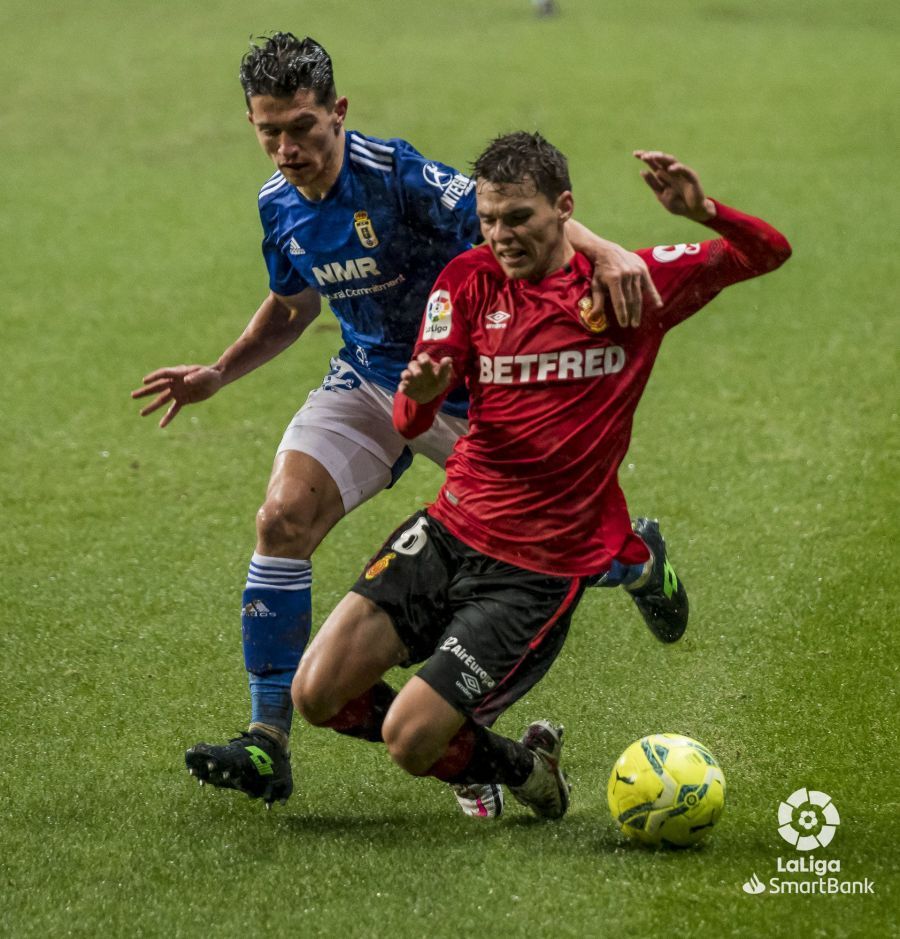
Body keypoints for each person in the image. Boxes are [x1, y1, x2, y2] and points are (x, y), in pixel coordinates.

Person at [130, 33, 658, 811]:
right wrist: (220, 369)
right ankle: (267, 739)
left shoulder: (401, 176)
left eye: (303, 127)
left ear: (338, 113)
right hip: (371, 381)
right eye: (267, 130)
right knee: (281, 517)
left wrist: (605, 249)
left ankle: (641, 559)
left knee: (562, 545)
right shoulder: (278, 206)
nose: (286, 148)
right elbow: (291, 305)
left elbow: (510, 212)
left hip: (461, 392)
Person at [290, 135, 791, 820]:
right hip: (448, 528)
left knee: (409, 740)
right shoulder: (465, 279)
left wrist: (705, 211)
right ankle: (523, 760)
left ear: (564, 210)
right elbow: (409, 418)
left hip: (536, 566)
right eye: (489, 219)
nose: (500, 236)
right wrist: (426, 392)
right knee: (315, 692)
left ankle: (505, 763)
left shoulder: (628, 284)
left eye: (518, 218)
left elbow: (768, 252)